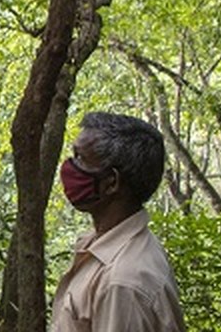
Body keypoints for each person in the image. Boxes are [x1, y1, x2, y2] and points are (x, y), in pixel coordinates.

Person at [51, 112, 187, 331]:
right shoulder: (107, 247)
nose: (69, 167)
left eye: (80, 158)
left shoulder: (123, 283)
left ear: (111, 182)